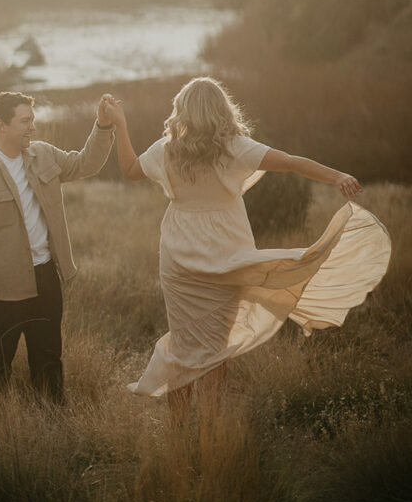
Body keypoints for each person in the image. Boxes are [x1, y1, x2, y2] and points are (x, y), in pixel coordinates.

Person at [100, 77, 391, 412]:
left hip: (179, 253)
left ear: (182, 112)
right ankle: (210, 428)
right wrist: (337, 176)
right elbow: (292, 162)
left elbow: (130, 169)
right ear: (221, 110)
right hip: (227, 251)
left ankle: (180, 436)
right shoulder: (235, 146)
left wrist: (120, 125)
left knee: (183, 343)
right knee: (215, 346)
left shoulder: (168, 149)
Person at [0, 90, 115, 402]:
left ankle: (52, 425)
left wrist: (103, 126)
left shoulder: (44, 154)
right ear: (2, 125)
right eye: (25, 121)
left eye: (33, 120)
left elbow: (85, 164)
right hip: (2, 287)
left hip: (45, 278)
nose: (33, 128)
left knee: (49, 358)